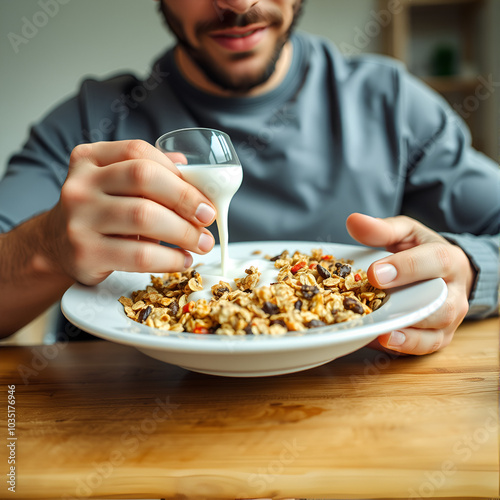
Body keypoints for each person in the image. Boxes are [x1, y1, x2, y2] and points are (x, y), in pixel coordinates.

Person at [0, 0, 498, 355]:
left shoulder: (391, 104)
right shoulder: (91, 124)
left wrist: (470, 270)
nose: (237, 4)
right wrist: (47, 245)